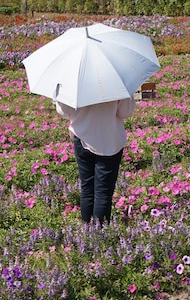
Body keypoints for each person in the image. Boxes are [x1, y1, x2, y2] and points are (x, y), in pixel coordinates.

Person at [55, 95, 136, 224]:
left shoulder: (73, 80)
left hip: (82, 138)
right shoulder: (115, 81)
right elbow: (125, 112)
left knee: (87, 189)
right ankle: (99, 235)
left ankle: (88, 232)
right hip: (109, 140)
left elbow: (64, 111)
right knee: (103, 193)